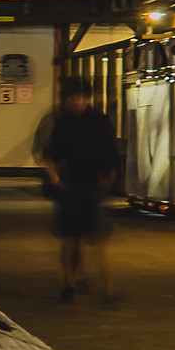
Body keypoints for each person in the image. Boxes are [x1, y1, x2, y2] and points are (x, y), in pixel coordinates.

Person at [37, 84, 122, 304]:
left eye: (82, 99)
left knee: (98, 238)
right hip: (71, 186)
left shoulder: (100, 121)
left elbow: (110, 151)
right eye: (73, 99)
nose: (78, 103)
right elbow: (49, 154)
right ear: (65, 100)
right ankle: (70, 283)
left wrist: (111, 175)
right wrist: (55, 179)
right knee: (71, 238)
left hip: (94, 185)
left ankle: (107, 287)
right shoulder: (60, 121)